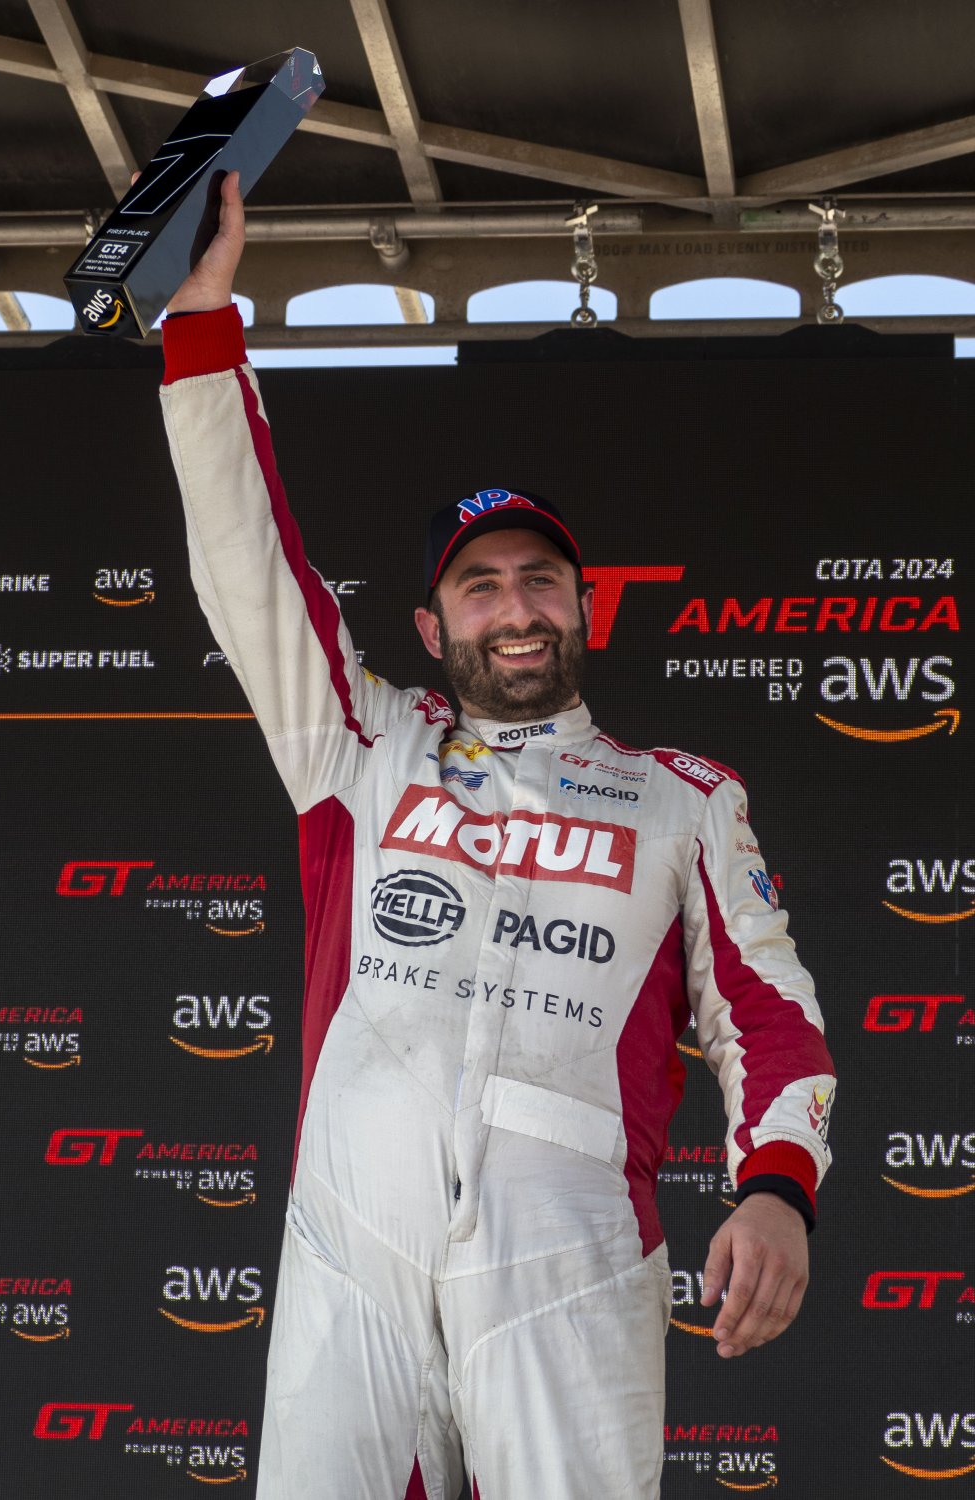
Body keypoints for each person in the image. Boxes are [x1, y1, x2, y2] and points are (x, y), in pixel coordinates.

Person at [159, 172, 835, 1500]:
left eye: (541, 581)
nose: (515, 608)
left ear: (585, 608)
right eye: (480, 587)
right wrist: (199, 326)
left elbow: (768, 1014)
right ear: (431, 627)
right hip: (351, 1241)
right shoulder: (362, 744)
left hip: (570, 1253)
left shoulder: (684, 797)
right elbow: (248, 566)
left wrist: (778, 1187)